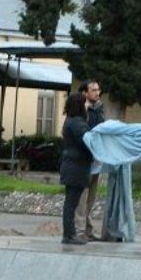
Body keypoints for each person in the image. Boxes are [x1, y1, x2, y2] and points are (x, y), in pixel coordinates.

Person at [59, 93, 94, 244]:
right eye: (84, 103)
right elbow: (87, 142)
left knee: (70, 202)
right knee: (71, 203)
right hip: (77, 167)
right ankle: (69, 235)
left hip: (70, 165)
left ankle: (69, 233)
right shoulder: (78, 123)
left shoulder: (69, 120)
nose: (87, 106)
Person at [75, 80, 105, 241]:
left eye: (98, 90)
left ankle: (87, 229)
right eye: (93, 90)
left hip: (96, 159)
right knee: (82, 198)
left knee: (91, 198)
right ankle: (79, 231)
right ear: (85, 93)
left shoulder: (98, 110)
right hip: (84, 160)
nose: (97, 93)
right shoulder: (81, 111)